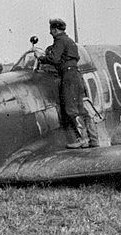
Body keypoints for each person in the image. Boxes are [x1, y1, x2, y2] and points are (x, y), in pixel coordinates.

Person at [38, 18, 99, 148]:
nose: (50, 33)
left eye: (51, 30)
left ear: (55, 29)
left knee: (70, 109)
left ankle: (82, 139)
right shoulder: (70, 41)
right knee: (81, 108)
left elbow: (54, 58)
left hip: (68, 76)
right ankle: (93, 140)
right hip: (76, 75)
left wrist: (42, 58)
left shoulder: (60, 40)